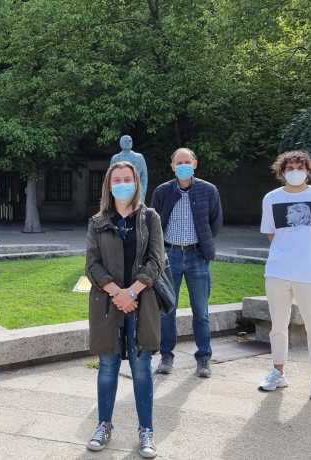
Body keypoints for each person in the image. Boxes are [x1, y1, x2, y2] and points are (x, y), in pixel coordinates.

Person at [85, 161, 165, 459]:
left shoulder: (150, 218)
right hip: (108, 304)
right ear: (109, 184)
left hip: (142, 303)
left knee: (142, 369)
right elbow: (92, 264)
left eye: (126, 179)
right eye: (116, 179)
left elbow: (157, 260)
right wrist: (116, 292)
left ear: (136, 182)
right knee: (107, 366)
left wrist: (131, 292)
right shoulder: (97, 222)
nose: (122, 184)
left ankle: (146, 430)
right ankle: (103, 425)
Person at [258, 150, 311, 402]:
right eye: (290, 168)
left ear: (308, 171)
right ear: (282, 172)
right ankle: (278, 371)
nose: (295, 172)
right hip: (278, 271)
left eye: (299, 167)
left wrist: (305, 248)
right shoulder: (271, 198)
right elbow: (272, 233)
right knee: (277, 326)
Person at [151, 148, 223, 377]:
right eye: (179, 162)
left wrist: (203, 246)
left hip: (197, 256)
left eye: (187, 161)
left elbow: (215, 222)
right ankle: (166, 357)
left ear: (195, 164)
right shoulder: (162, 191)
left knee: (201, 311)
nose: (183, 165)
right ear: (172, 166)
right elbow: (153, 223)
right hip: (169, 256)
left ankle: (203, 359)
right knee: (167, 310)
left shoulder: (208, 190)